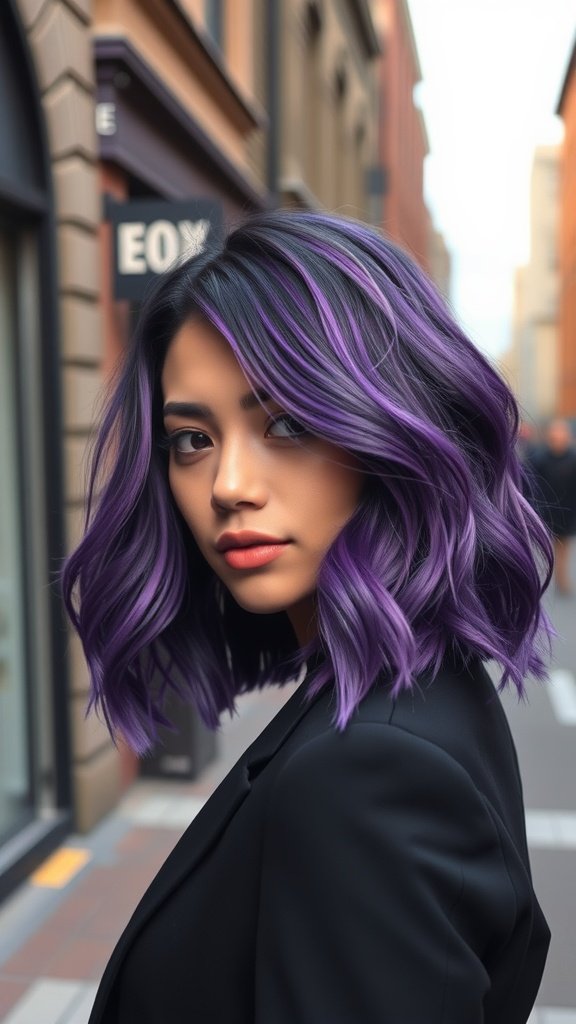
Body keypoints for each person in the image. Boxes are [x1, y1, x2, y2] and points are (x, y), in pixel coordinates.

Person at [63, 211, 554, 1024]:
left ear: (395, 431)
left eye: (285, 423)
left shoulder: (364, 777)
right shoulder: (418, 688)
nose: (227, 485)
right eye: (191, 440)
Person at [529, 417, 576, 596]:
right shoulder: (540, 458)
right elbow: (532, 484)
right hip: (546, 511)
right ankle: (550, 578)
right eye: (554, 433)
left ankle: (561, 578)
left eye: (561, 433)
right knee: (547, 549)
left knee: (563, 548)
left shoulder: (573, 458)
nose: (557, 437)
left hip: (569, 512)